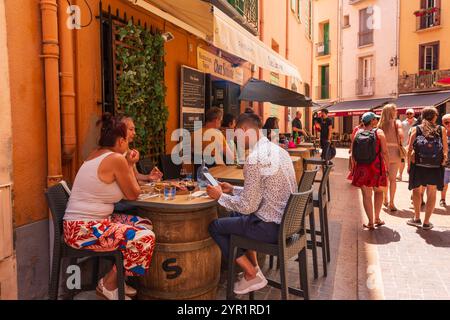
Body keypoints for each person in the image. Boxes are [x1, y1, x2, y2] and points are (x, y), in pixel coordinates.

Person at [63, 113, 156, 300]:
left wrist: (128, 164)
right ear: (121, 140)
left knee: (144, 224)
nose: (131, 138)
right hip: (82, 229)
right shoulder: (116, 159)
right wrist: (130, 164)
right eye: (128, 135)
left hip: (92, 222)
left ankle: (114, 279)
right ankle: (109, 284)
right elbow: (133, 193)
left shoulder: (96, 153)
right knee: (145, 237)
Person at [206, 113, 297, 295]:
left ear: (245, 131)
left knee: (215, 226)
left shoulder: (254, 158)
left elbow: (249, 206)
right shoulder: (280, 151)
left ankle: (250, 272)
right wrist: (233, 190)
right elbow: (263, 193)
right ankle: (255, 267)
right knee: (234, 217)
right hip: (288, 225)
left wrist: (219, 197)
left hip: (270, 228)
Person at [407, 107, 448, 230]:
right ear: (435, 116)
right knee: (432, 192)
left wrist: (409, 165)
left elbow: (409, 149)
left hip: (419, 165)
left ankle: (416, 217)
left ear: (423, 116)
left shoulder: (416, 129)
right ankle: (426, 222)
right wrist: (443, 161)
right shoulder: (441, 129)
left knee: (416, 191)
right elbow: (445, 150)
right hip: (435, 166)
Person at [351, 112, 389, 229]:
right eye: (375, 119)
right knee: (378, 192)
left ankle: (370, 222)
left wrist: (354, 168)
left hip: (362, 168)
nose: (376, 121)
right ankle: (377, 218)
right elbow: (385, 152)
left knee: (366, 195)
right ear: (372, 121)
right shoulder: (379, 132)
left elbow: (353, 154)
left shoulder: (358, 133)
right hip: (376, 166)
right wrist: (386, 167)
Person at [119, 115, 163, 184]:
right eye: (131, 129)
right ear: (120, 130)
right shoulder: (115, 154)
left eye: (134, 129)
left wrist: (148, 177)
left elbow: (135, 175)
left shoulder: (129, 151)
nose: (134, 133)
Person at [378, 104, 403, 211]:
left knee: (385, 178)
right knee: (393, 180)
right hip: (395, 153)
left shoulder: (380, 124)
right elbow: (401, 135)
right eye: (395, 110)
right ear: (392, 112)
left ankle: (385, 198)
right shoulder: (397, 122)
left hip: (383, 153)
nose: (396, 112)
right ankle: (392, 202)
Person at [398, 109, 417, 181]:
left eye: (410, 113)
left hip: (414, 144)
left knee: (412, 160)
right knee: (402, 160)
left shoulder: (417, 122)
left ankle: (411, 176)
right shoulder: (403, 123)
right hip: (404, 144)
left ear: (414, 114)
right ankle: (400, 175)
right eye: (407, 113)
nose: (409, 115)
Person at [440, 114, 450, 207]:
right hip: (446, 164)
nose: (448, 124)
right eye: (446, 122)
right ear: (443, 123)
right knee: (444, 183)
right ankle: (442, 199)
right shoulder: (441, 134)